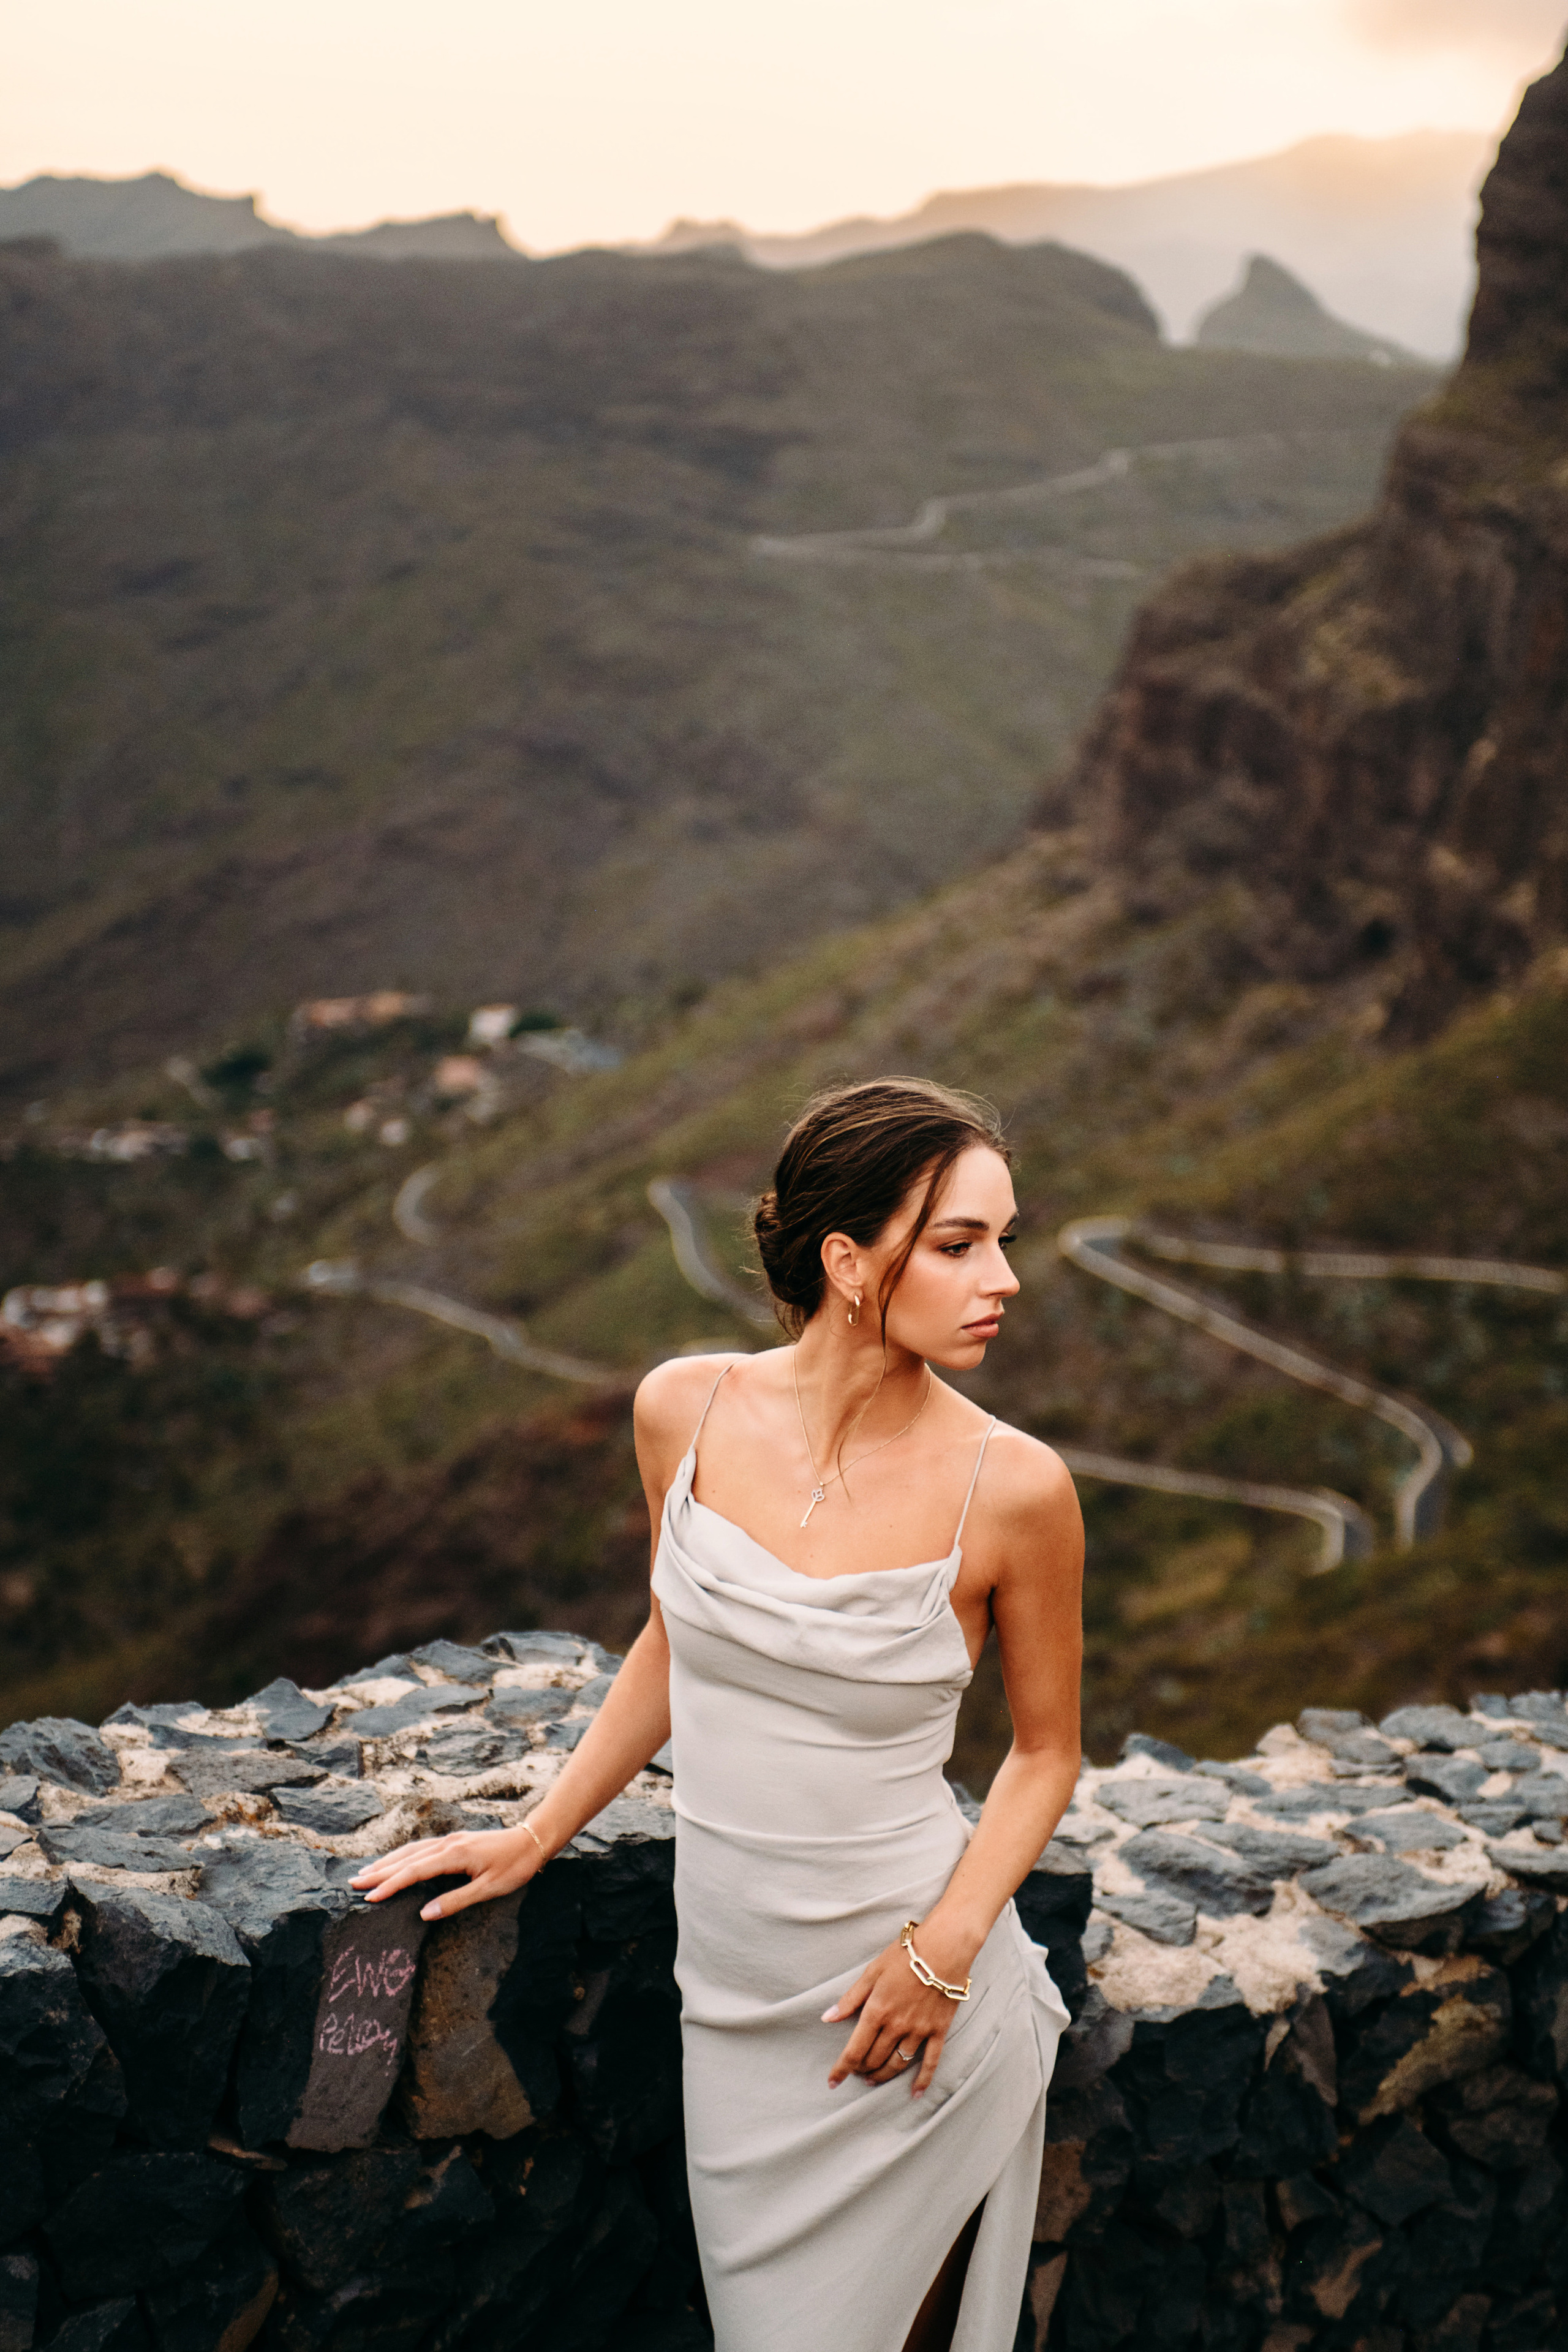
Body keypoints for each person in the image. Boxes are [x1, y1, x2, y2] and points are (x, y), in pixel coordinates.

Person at [353, 1077, 1085, 2352]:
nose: (1003, 1278)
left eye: (1001, 1242)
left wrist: (943, 1956)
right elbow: (672, 1643)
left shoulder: (1017, 1489)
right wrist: (536, 1834)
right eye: (961, 1243)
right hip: (734, 2018)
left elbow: (1044, 1753)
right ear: (846, 1261)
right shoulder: (681, 1409)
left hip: (908, 2015)